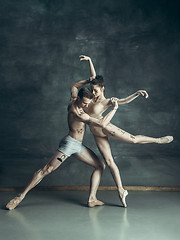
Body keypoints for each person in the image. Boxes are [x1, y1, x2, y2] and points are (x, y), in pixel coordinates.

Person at [6, 80, 119, 210]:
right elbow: (102, 124)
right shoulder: (78, 113)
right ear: (79, 99)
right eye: (84, 102)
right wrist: (114, 108)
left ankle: (92, 198)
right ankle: (19, 197)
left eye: (87, 103)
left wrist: (88, 80)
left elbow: (75, 86)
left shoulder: (74, 98)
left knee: (100, 165)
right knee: (46, 170)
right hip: (70, 144)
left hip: (78, 146)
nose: (85, 106)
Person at [78, 55, 173, 207]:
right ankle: (121, 190)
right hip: (96, 134)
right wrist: (90, 60)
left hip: (106, 128)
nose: (93, 92)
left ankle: (158, 140)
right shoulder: (91, 97)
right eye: (92, 90)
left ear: (103, 89)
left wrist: (137, 93)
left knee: (134, 139)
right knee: (109, 162)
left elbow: (124, 101)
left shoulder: (107, 101)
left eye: (96, 90)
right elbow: (93, 77)